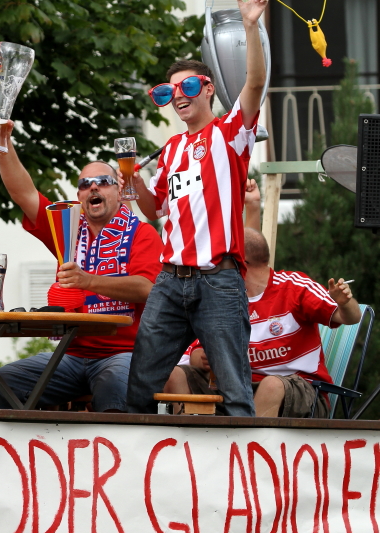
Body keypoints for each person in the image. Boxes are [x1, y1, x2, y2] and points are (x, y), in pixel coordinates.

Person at [126, 0, 269, 416]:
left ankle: (240, 457)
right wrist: (135, 183)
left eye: (188, 87)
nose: (178, 97)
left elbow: (255, 84)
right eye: (168, 92)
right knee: (139, 386)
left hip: (218, 279)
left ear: (208, 88)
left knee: (235, 392)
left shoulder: (230, 132)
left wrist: (249, 25)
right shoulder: (170, 148)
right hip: (170, 280)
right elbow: (154, 209)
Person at [0, 117, 163, 411]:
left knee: (115, 386)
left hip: (124, 352)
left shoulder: (142, 233)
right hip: (70, 353)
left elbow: (147, 288)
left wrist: (88, 281)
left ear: (119, 190)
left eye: (103, 182)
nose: (93, 187)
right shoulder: (66, 229)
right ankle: (22, 443)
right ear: (79, 196)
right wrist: (3, 143)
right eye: (85, 184)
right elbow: (23, 194)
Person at [164, 228, 362, 417]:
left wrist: (344, 303)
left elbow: (351, 317)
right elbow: (196, 353)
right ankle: (188, 439)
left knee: (271, 386)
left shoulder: (295, 287)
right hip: (238, 389)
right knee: (175, 375)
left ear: (239, 263)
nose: (212, 268)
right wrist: (202, 358)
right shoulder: (221, 297)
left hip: (302, 391)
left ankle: (247, 441)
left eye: (218, 261)